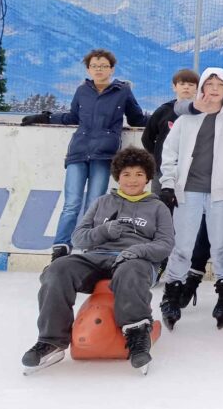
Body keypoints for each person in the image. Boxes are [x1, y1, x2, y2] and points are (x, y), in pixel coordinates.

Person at [21, 147, 173, 375]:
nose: (132, 180)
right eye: (126, 174)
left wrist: (138, 250)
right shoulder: (103, 202)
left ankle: (137, 334)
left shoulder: (158, 207)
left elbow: (165, 244)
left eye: (139, 174)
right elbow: (78, 237)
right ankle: (51, 340)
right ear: (118, 177)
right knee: (58, 269)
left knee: (129, 271)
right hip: (98, 257)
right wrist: (103, 231)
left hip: (137, 263)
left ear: (148, 177)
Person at [158, 68, 223, 330]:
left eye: (220, 85)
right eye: (210, 84)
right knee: (182, 245)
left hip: (221, 193)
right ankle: (172, 291)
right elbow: (169, 151)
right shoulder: (187, 119)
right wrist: (168, 184)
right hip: (188, 191)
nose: (215, 89)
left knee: (220, 246)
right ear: (202, 87)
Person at [21, 49, 147, 261]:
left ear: (112, 69)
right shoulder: (82, 91)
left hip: (104, 155)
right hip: (79, 153)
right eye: (95, 66)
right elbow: (72, 116)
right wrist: (43, 117)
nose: (99, 70)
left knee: (95, 203)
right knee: (71, 203)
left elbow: (136, 118)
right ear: (89, 69)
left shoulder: (122, 91)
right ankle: (61, 245)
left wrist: (166, 119)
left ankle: (91, 244)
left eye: (104, 66)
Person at [140, 68, 199, 193]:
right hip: (163, 170)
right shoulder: (163, 111)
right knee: (159, 204)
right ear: (174, 87)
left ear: (197, 88)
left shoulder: (201, 112)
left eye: (191, 84)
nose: (186, 87)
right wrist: (158, 155)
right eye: (182, 84)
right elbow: (147, 138)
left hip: (192, 170)